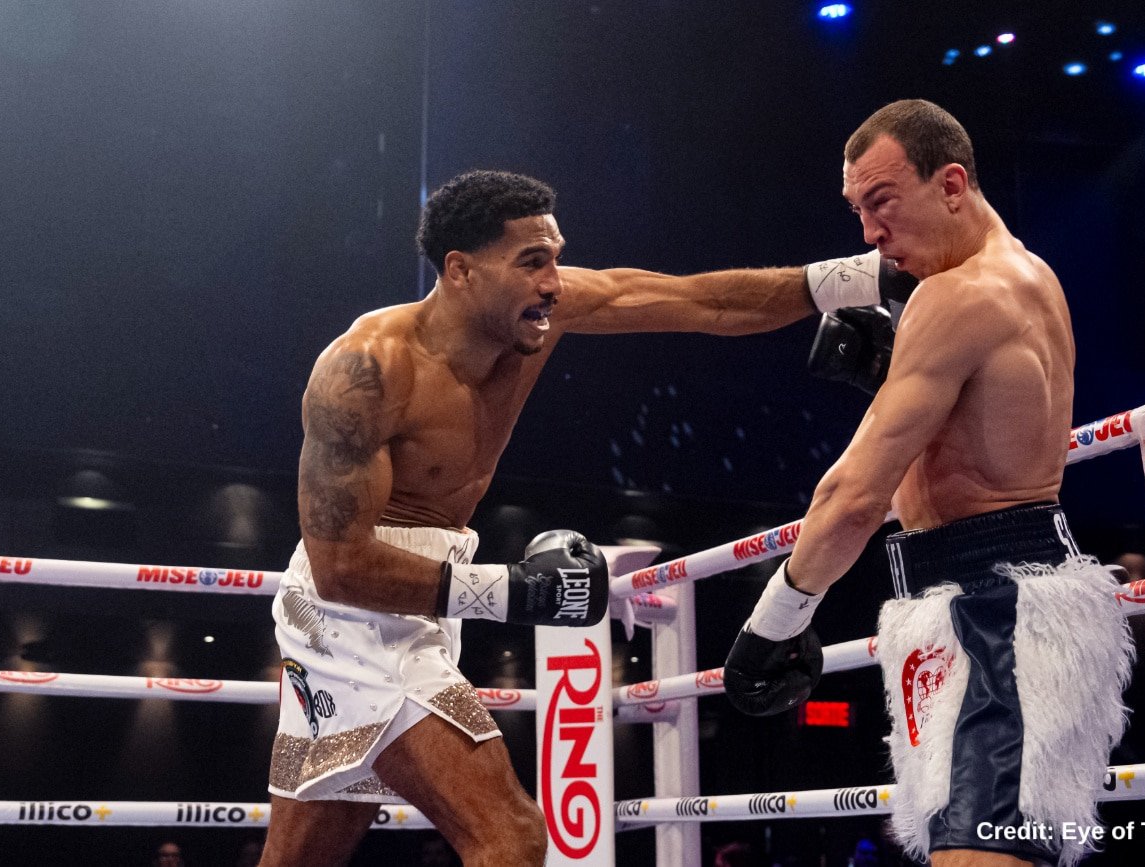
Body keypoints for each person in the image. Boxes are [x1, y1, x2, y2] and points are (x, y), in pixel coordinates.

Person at [260, 169, 869, 866]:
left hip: (422, 601)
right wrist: (517, 591)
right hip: (351, 617)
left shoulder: (542, 315)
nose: (554, 282)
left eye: (554, 257)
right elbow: (341, 567)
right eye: (531, 262)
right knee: (511, 836)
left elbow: (704, 301)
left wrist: (859, 278)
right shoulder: (366, 369)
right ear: (460, 270)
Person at [725, 100, 1135, 867]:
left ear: (951, 184)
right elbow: (972, 440)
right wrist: (893, 373)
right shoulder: (1026, 277)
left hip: (997, 610)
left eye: (882, 201)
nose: (869, 234)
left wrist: (772, 623)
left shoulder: (958, 295)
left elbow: (853, 496)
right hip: (985, 600)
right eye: (857, 210)